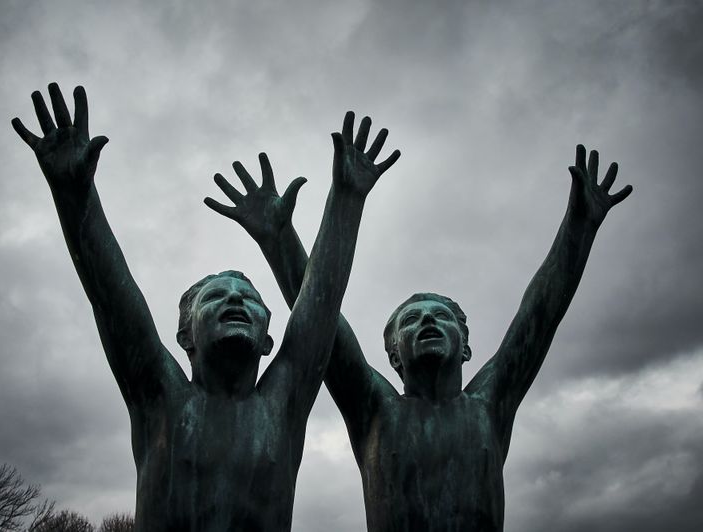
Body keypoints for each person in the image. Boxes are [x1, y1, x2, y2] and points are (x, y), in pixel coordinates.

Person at [11, 84, 400, 531]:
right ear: (185, 336)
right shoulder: (160, 395)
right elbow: (111, 295)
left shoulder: (283, 403)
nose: (235, 299)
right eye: (216, 297)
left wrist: (346, 201)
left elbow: (321, 302)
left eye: (250, 300)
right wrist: (74, 196)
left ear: (269, 339)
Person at [209, 134, 632, 531]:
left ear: (466, 347)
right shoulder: (374, 408)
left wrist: (580, 227)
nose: (427, 321)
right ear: (394, 356)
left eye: (440, 316)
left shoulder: (488, 405)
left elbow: (539, 315)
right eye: (410, 320)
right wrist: (279, 239)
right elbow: (320, 314)